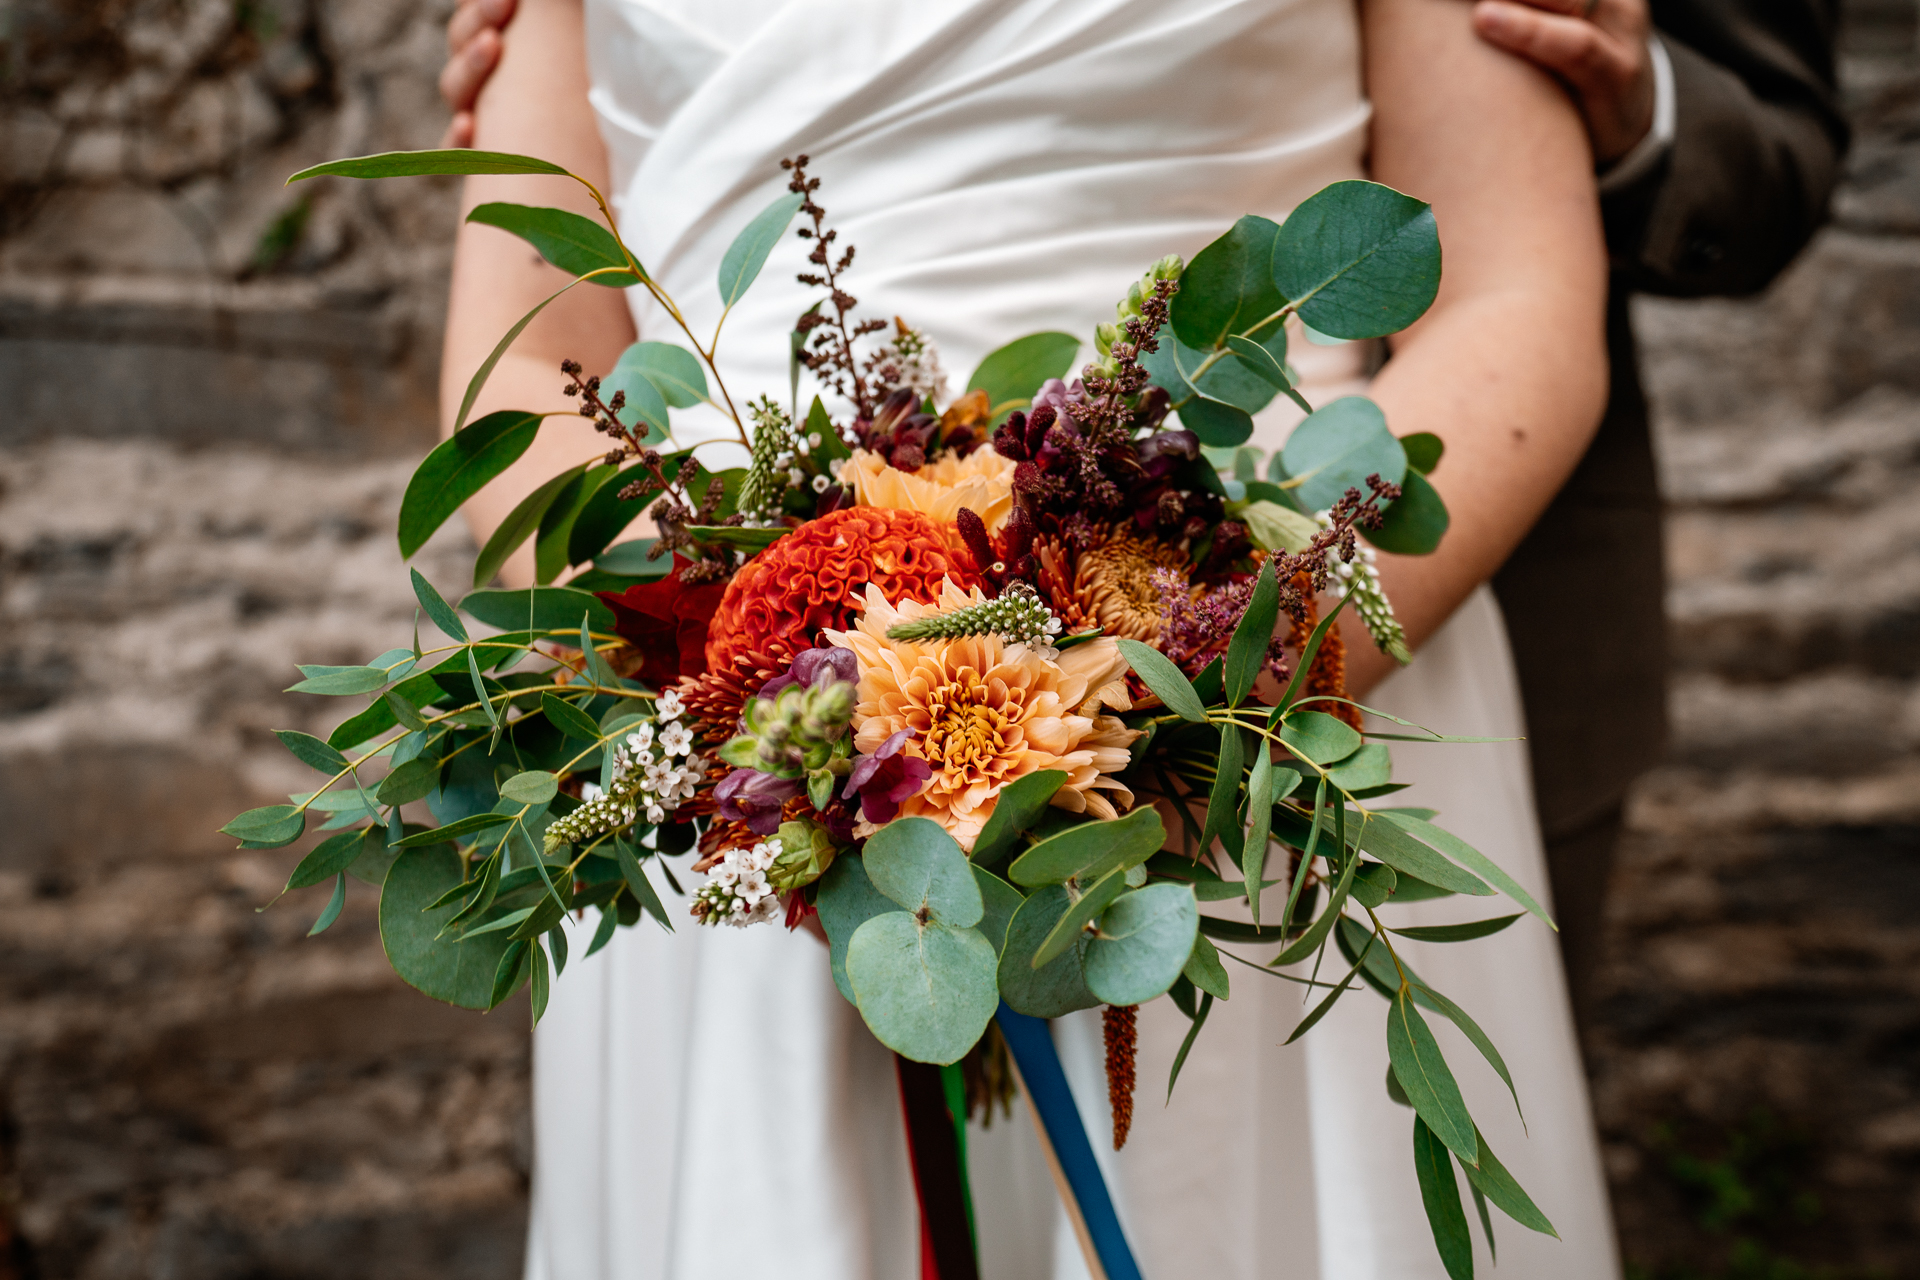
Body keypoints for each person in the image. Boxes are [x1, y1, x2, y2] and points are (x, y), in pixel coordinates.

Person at [435, 0, 1618, 1275]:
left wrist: (1196, 701)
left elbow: (1516, 293)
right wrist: (765, 698)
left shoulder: (1227, 699)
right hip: (756, 776)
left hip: (1255, 740)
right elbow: (526, 368)